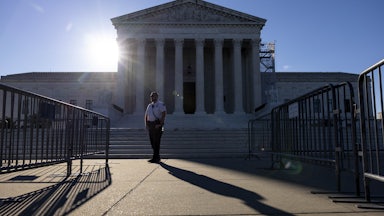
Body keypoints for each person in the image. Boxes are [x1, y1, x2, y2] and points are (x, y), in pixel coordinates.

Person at [144, 91, 166, 163]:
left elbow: (163, 114)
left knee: (157, 141)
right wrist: (146, 124)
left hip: (157, 124)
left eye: (153, 96)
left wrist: (160, 124)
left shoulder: (160, 104)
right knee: (152, 142)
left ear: (157, 97)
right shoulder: (149, 105)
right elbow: (146, 115)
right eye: (151, 96)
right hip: (151, 125)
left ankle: (155, 157)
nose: (152, 97)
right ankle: (156, 156)